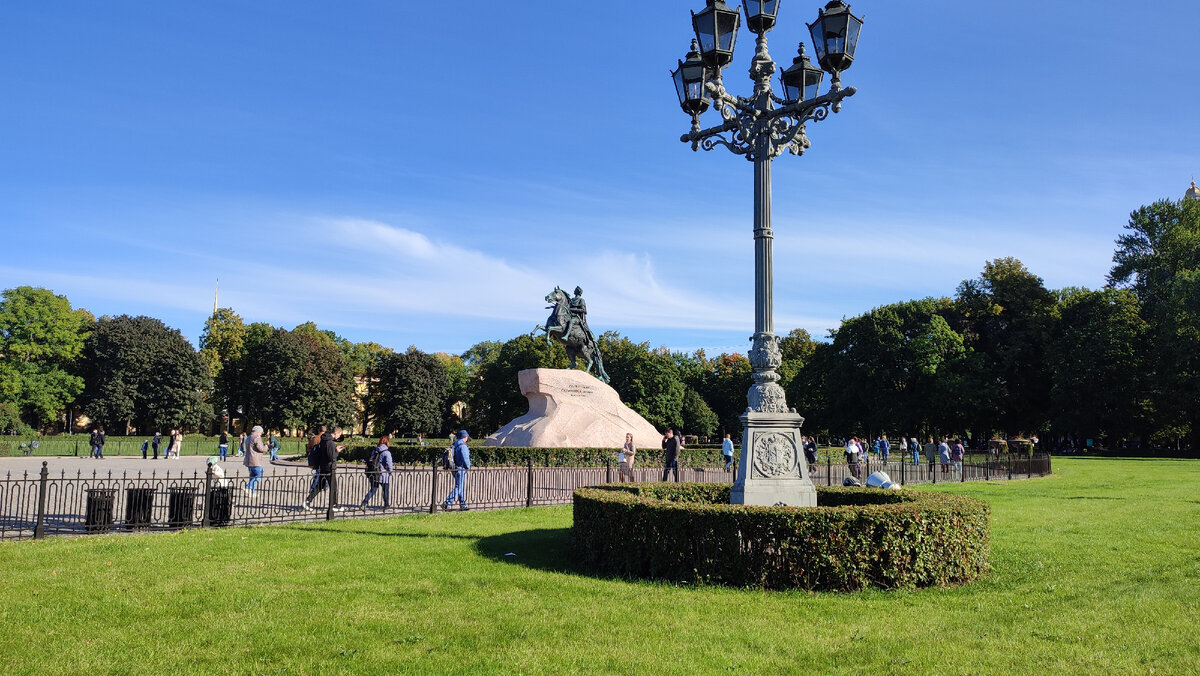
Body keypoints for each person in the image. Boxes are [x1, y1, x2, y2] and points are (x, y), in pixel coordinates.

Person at [304, 426, 344, 510]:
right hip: (329, 467)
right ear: (336, 433)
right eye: (339, 434)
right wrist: (337, 451)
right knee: (333, 486)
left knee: (320, 485)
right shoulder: (330, 442)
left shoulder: (324, 440)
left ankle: (307, 501)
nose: (339, 436)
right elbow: (331, 456)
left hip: (322, 466)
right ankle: (334, 505)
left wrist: (335, 450)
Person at [442, 430, 471, 510]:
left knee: (460, 486)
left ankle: (463, 505)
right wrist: (468, 466)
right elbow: (465, 458)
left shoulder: (455, 443)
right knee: (459, 487)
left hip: (454, 467)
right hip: (460, 468)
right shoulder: (463, 445)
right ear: (465, 437)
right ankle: (447, 503)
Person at [362, 436, 394, 509]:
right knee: (385, 490)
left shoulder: (375, 450)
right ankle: (386, 505)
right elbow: (389, 464)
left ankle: (364, 502)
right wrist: (390, 471)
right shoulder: (387, 452)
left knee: (373, 489)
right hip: (383, 474)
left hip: (374, 473)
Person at [243, 425, 267, 495]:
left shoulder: (248, 438)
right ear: (258, 432)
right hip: (256, 460)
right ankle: (248, 487)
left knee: (252, 476)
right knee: (259, 476)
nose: (261, 434)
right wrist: (267, 446)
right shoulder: (257, 438)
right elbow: (261, 449)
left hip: (248, 460)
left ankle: (252, 492)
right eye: (261, 432)